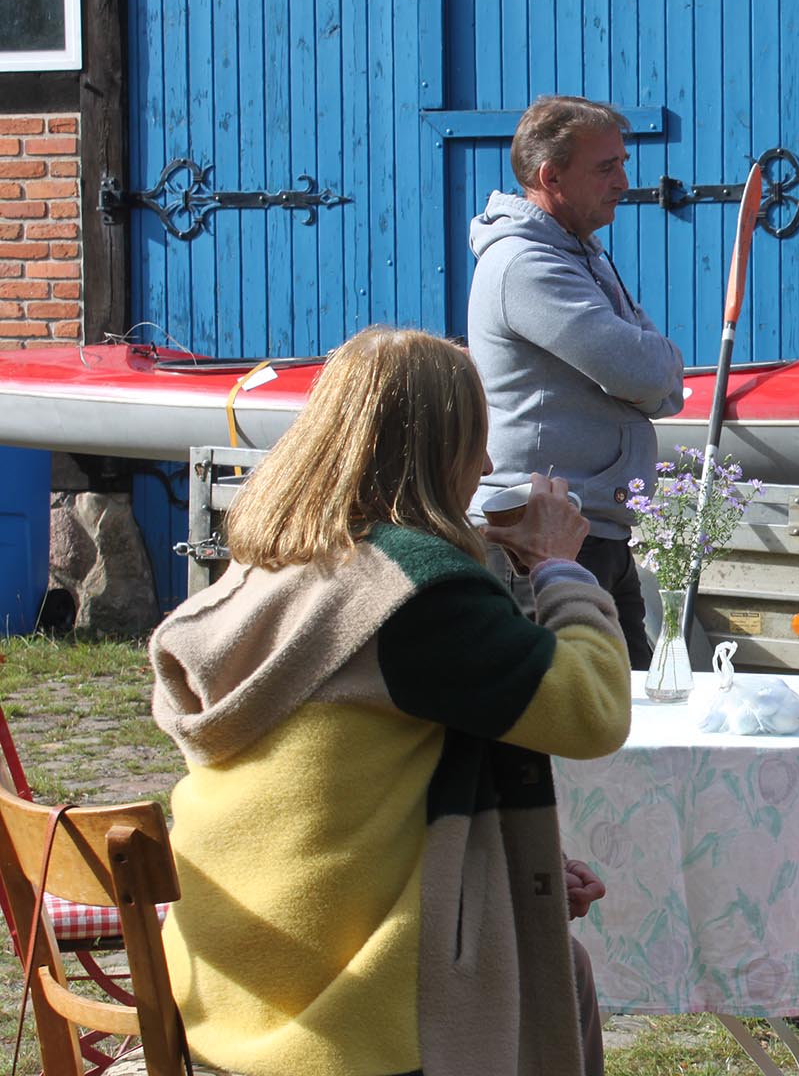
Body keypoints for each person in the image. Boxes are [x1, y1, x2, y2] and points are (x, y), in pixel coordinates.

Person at [149, 326, 631, 1076]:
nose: (488, 467)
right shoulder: (417, 596)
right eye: (475, 443)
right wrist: (558, 568)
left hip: (226, 979)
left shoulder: (266, 571)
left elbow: (351, 782)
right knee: (552, 981)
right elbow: (592, 710)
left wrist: (513, 867)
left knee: (562, 967)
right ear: (436, 453)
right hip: (344, 1016)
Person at [467, 94, 686, 667]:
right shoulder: (527, 265)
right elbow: (642, 369)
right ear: (551, 177)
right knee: (567, 706)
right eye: (606, 167)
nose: (623, 181)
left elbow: (656, 376)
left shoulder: (582, 256)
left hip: (586, 530)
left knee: (624, 702)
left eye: (623, 163)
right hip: (541, 537)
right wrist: (656, 370)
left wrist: (655, 371)